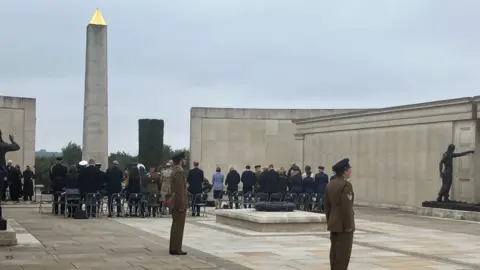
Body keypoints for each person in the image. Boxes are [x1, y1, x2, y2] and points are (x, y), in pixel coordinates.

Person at [324, 158, 354, 270]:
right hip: (343, 226)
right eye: (349, 169)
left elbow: (327, 207)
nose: (350, 171)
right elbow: (346, 207)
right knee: (343, 256)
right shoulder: (346, 185)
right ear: (345, 171)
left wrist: (330, 221)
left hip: (333, 224)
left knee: (334, 253)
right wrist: (349, 226)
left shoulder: (330, 184)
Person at [169, 151, 188, 255]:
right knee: (179, 226)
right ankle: (176, 248)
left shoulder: (174, 170)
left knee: (175, 225)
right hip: (179, 202)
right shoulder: (179, 172)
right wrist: (182, 205)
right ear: (181, 160)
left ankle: (173, 247)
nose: (185, 160)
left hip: (174, 200)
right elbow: (180, 190)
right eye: (184, 159)